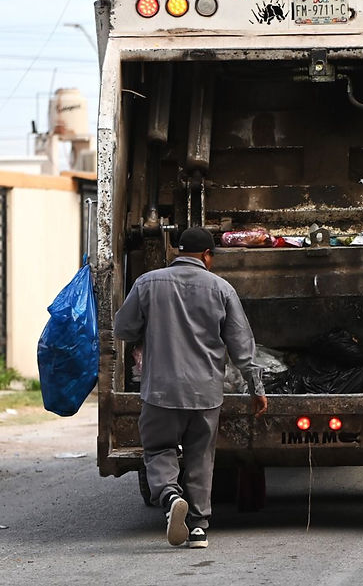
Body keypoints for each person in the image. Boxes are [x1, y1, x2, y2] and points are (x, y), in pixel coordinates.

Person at [114, 226, 267, 549]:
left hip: (161, 390)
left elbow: (124, 328)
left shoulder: (147, 283)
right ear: (207, 255)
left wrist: (151, 328)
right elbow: (242, 346)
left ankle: (170, 496)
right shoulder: (221, 289)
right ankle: (198, 528)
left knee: (159, 449)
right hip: (205, 393)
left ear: (178, 252)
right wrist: (256, 387)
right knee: (200, 457)